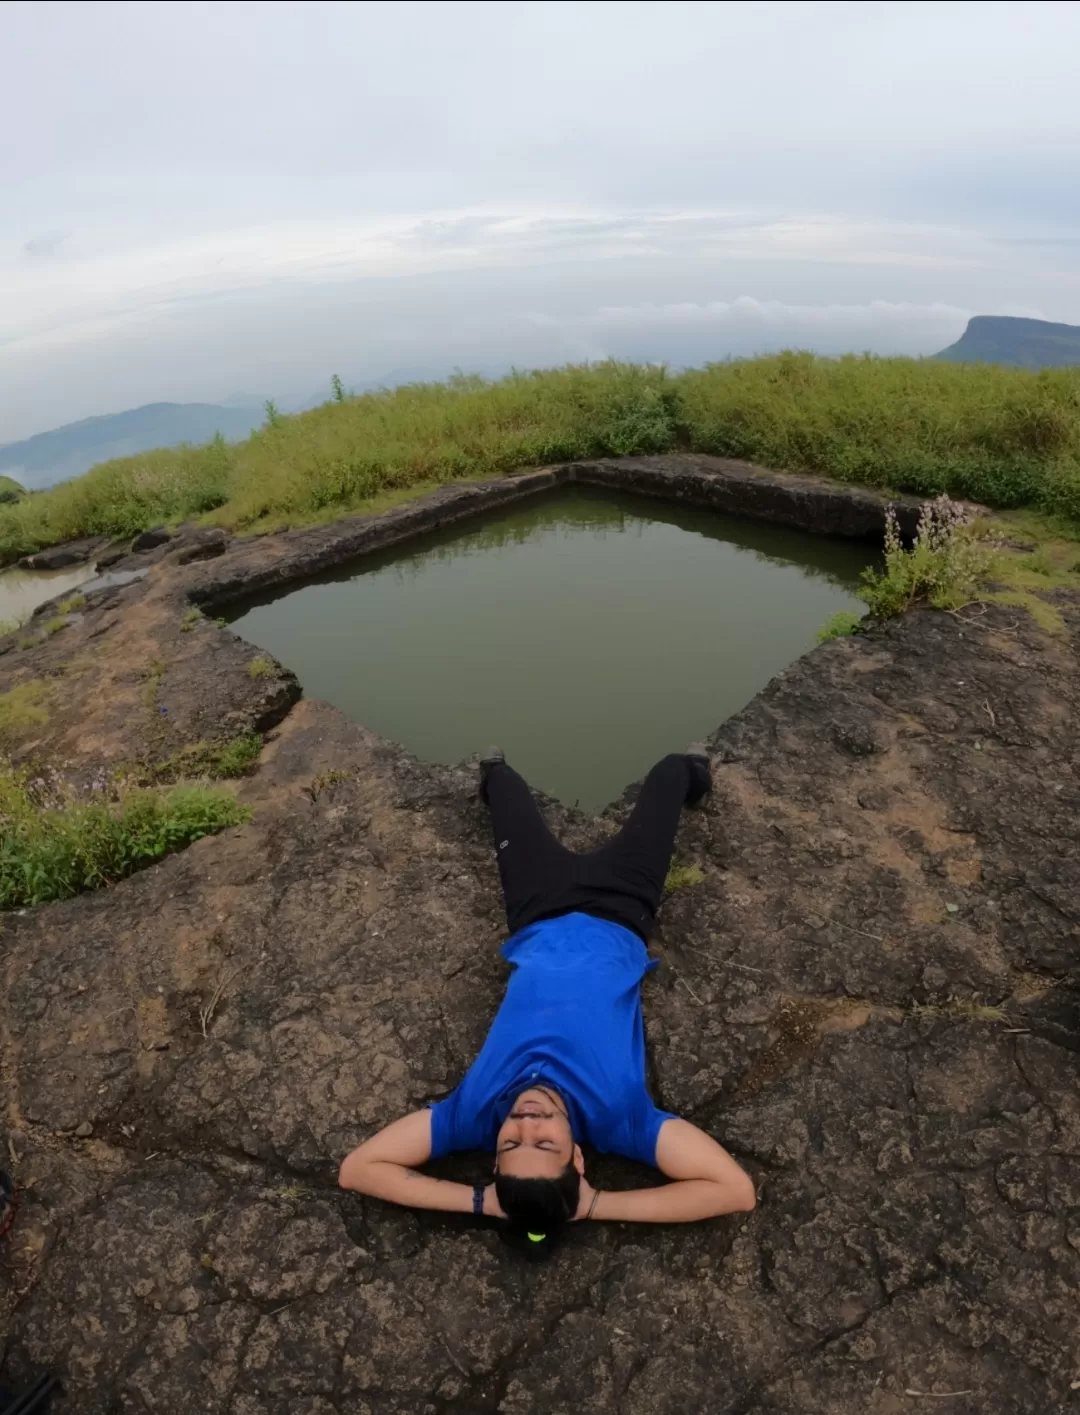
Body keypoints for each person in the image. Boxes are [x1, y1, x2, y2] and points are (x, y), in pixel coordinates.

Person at [338, 746, 756, 1257]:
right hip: (622, 907)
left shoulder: (470, 1116)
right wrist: (591, 1204)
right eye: (545, 1143)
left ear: (494, 1159)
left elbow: (358, 1170)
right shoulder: (621, 1120)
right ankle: (693, 772)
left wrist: (483, 1203)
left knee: (501, 780)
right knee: (675, 771)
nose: (526, 1123)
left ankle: (494, 773)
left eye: (512, 1144)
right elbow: (735, 1192)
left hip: (536, 907)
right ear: (577, 1159)